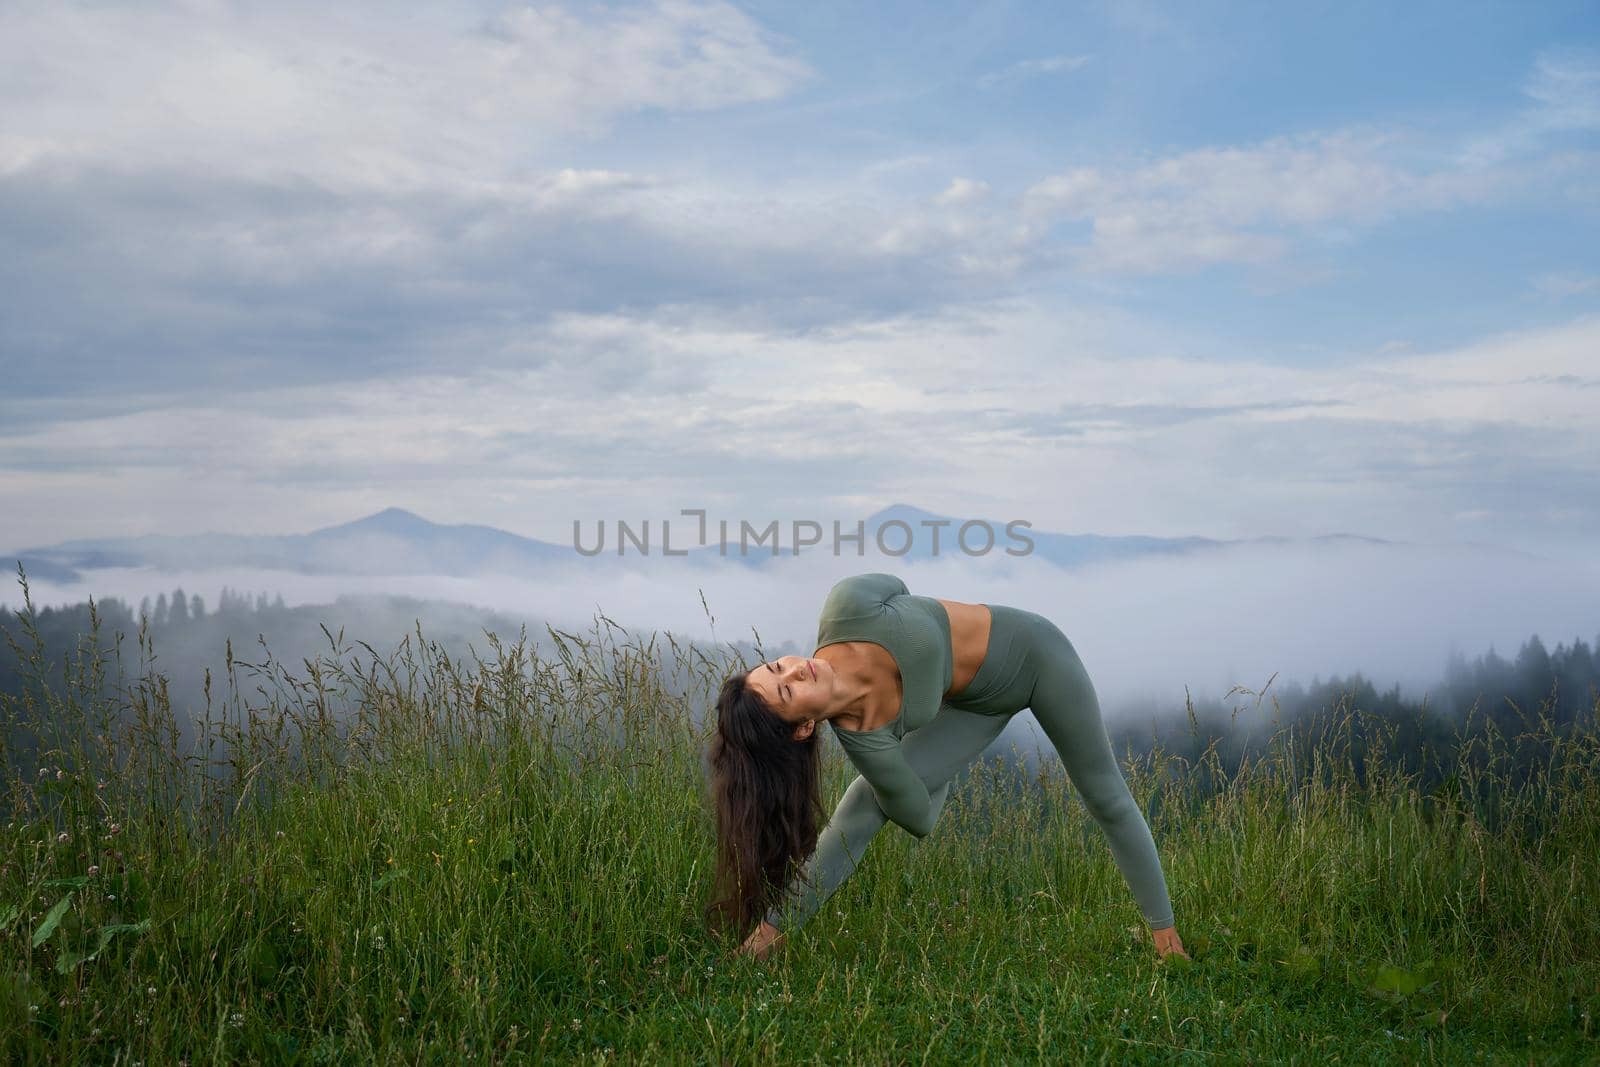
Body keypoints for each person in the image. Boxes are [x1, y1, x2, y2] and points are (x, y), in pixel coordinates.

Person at [705, 571, 1188, 962]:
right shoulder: (866, 742)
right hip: (976, 709)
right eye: (788, 691)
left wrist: (916, 740)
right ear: (805, 728)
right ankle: (769, 935)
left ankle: (1168, 942)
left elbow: (897, 589)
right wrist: (925, 764)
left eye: (775, 667)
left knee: (1104, 794)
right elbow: (920, 818)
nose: (794, 669)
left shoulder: (848, 607)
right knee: (860, 803)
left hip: (1037, 655)